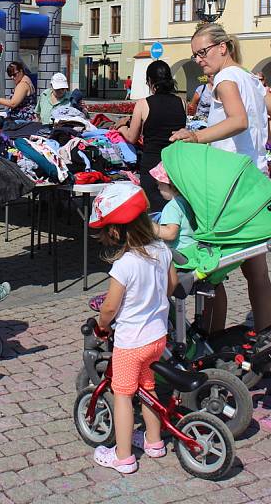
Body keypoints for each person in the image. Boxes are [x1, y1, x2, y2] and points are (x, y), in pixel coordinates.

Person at [170, 23, 271, 334]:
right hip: (256, 183)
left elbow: (237, 121)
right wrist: (258, 143)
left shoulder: (224, 79)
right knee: (257, 272)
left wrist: (196, 137)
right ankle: (268, 337)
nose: (198, 60)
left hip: (229, 188)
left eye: (202, 52)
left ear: (222, 48)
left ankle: (211, 336)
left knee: (210, 269)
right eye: (194, 55)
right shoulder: (251, 79)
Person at [89, 183, 178, 474]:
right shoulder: (161, 249)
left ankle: (123, 456)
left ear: (115, 231)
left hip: (130, 343)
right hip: (157, 338)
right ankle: (153, 442)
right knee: (148, 388)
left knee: (123, 395)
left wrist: (101, 328)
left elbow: (110, 308)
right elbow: (172, 286)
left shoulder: (124, 264)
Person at [116, 60, 186, 212]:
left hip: (151, 165)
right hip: (174, 165)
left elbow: (132, 137)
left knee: (154, 213)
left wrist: (121, 127)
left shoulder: (143, 104)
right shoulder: (181, 102)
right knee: (174, 212)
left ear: (149, 81)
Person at [149, 161, 196, 251]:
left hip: (180, 252)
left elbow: (170, 234)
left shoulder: (172, 207)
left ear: (171, 184)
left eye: (160, 184)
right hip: (193, 246)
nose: (158, 188)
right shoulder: (188, 200)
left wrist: (148, 225)